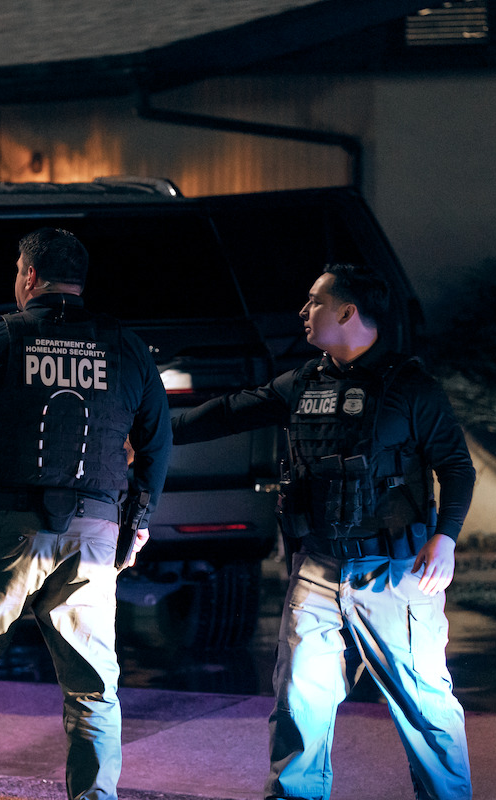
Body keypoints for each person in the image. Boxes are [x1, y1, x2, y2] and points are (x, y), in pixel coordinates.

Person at [172, 263, 474, 800]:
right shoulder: (304, 382)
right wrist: (151, 430)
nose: (304, 312)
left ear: (347, 312)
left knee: (425, 708)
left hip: (394, 574)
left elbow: (456, 466)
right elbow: (230, 411)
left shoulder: (410, 385)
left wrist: (445, 537)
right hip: (317, 569)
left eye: (315, 301)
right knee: (299, 703)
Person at [0, 227, 171, 800]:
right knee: (93, 684)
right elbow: (157, 440)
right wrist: (140, 519)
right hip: (95, 533)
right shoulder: (124, 346)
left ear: (28, 276)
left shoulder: (3, 337)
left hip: (9, 527)